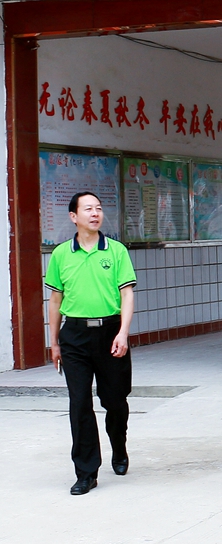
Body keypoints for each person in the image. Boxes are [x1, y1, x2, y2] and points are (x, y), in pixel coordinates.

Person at [45, 191, 137, 496]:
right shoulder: (61, 254)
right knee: (79, 402)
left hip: (110, 332)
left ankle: (119, 447)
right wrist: (54, 342)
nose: (95, 213)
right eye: (88, 209)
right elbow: (55, 299)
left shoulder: (116, 251)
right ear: (74, 216)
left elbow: (127, 294)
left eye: (98, 208)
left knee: (115, 400)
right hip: (74, 336)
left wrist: (123, 332)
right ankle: (86, 472)